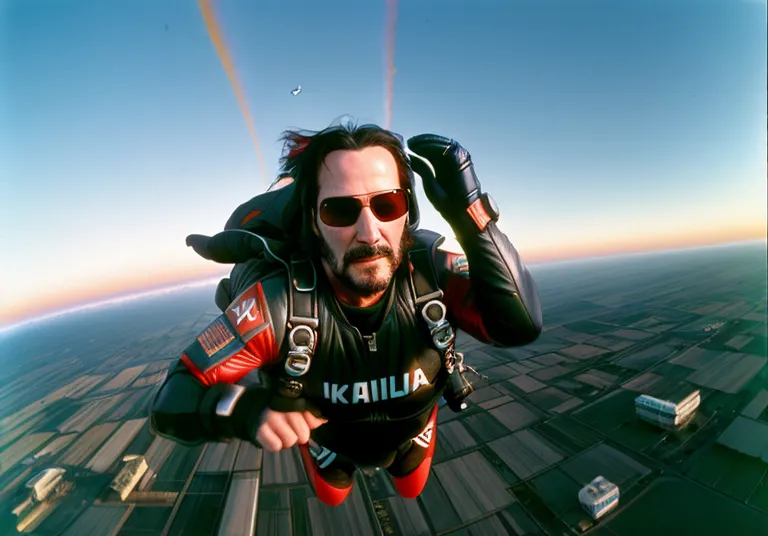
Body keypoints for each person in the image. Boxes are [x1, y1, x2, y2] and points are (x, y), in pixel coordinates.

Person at [149, 120, 543, 507]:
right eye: (339, 210)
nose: (369, 233)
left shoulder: (432, 272)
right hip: (330, 448)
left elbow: (518, 325)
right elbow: (173, 399)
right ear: (313, 224)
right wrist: (243, 412)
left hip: (411, 434)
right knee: (333, 497)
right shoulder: (279, 306)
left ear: (409, 213)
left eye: (389, 204)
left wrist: (471, 215)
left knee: (411, 487)